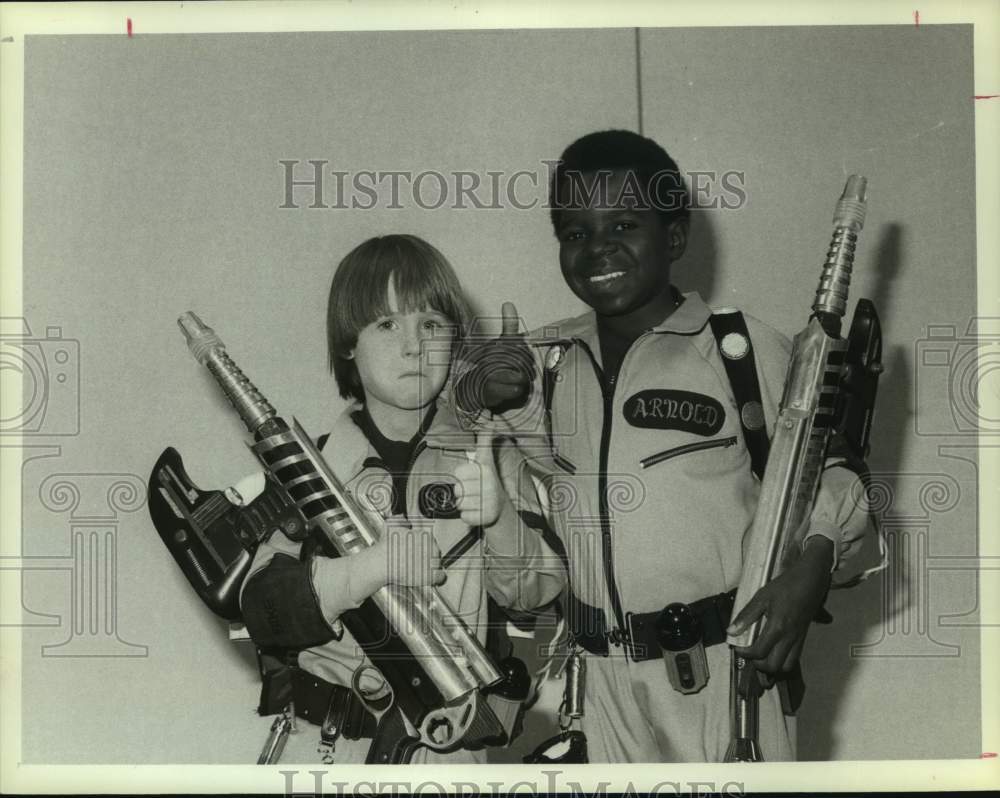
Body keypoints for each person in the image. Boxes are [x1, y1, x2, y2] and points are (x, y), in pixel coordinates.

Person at [454, 130, 873, 762]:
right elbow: (490, 485)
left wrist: (810, 569)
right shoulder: (545, 366)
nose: (598, 248)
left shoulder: (740, 351)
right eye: (575, 232)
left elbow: (834, 478)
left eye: (624, 223)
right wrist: (483, 391)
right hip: (594, 692)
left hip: (722, 681)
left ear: (674, 237)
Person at [236, 234, 565, 764]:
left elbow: (536, 595)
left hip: (451, 753)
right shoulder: (311, 468)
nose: (414, 346)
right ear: (348, 343)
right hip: (330, 749)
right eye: (387, 325)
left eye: (431, 325)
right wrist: (363, 572)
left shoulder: (489, 458)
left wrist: (500, 516)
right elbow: (262, 610)